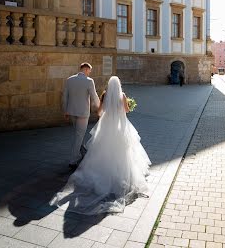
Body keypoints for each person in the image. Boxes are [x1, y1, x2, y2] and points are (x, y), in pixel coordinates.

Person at [50, 76, 151, 215]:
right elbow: (126, 111)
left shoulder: (105, 95)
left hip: (106, 127)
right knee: (122, 151)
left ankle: (103, 174)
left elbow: (99, 112)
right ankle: (121, 177)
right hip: (120, 127)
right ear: (119, 85)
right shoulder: (122, 95)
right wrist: (127, 105)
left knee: (103, 151)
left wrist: (106, 113)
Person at [63, 62, 100, 170]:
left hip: (71, 111)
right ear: (86, 69)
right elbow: (94, 96)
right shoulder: (89, 81)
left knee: (79, 134)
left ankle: (83, 153)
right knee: (79, 135)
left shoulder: (69, 80)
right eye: (89, 71)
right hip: (83, 113)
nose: (89, 73)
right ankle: (73, 161)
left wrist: (65, 110)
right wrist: (100, 109)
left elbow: (65, 96)